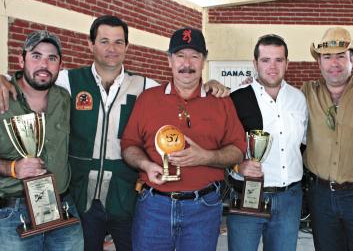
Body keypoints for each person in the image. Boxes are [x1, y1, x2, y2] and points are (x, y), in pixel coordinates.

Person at [0, 15, 229, 251]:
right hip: (80, 196)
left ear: (127, 47)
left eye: (119, 42)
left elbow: (180, 87)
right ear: (91, 44)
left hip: (125, 195)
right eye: (104, 41)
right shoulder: (69, 80)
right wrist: (4, 79)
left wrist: (210, 84)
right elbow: (33, 78)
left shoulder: (144, 86)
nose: (112, 48)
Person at [120, 27, 246, 251]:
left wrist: (206, 157)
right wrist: (145, 165)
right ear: (169, 60)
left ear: (203, 61)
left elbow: (237, 149)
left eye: (194, 56)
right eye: (180, 56)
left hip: (204, 208)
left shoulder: (221, 101)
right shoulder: (148, 99)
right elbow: (129, 145)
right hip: (153, 206)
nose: (187, 63)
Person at [0, 30, 83, 250]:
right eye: (36, 56)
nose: (43, 64)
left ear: (60, 65)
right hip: (13, 213)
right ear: (21, 59)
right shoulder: (3, 97)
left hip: (62, 205)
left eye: (52, 58)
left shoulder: (63, 98)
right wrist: (12, 168)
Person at [302, 27, 353, 251]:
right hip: (320, 195)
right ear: (319, 63)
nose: (334, 63)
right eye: (327, 57)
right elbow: (271, 96)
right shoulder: (306, 92)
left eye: (341, 56)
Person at [227, 34, 308, 251]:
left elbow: (303, 144)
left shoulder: (299, 99)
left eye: (278, 60)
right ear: (254, 64)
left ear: (287, 63)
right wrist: (237, 165)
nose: (272, 67)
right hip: (248, 194)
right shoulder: (236, 99)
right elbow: (220, 147)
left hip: (289, 199)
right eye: (265, 60)